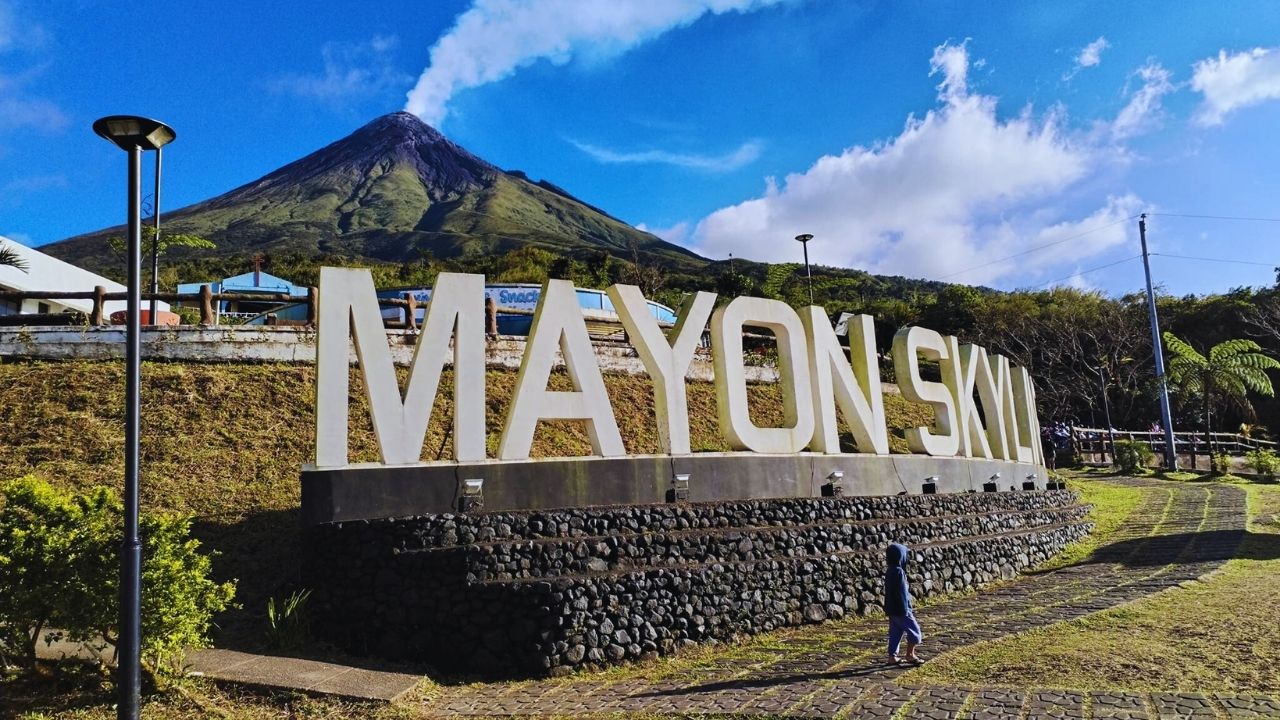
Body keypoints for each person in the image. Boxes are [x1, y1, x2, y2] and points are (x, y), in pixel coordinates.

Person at [884, 542, 924, 665]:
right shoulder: (899, 572)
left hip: (892, 610)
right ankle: (910, 654)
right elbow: (901, 592)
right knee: (915, 632)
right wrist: (905, 609)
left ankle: (892, 656)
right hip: (902, 610)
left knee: (895, 634)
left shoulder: (890, 571)